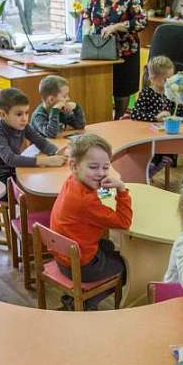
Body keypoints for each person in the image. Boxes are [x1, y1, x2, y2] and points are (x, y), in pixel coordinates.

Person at [49, 133, 132, 310]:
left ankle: (79, 298)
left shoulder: (72, 180)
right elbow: (124, 221)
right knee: (127, 268)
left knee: (108, 246)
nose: (101, 173)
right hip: (79, 266)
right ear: (74, 165)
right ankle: (85, 302)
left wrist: (102, 186)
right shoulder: (85, 202)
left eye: (106, 167)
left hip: (63, 258)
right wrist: (121, 189)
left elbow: (94, 197)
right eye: (94, 167)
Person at [84, 0, 148, 119]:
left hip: (124, 52)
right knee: (101, 88)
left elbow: (141, 22)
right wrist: (87, 27)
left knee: (121, 91)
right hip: (100, 50)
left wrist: (116, 27)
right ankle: (102, 120)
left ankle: (117, 119)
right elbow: (86, 12)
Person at [0, 87, 68, 185]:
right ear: (3, 114)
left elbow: (40, 141)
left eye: (26, 113)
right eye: (19, 114)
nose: (24, 118)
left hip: (12, 172)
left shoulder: (23, 125)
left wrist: (55, 152)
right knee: (38, 184)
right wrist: (46, 161)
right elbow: (11, 159)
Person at [130, 55, 183, 177]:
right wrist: (155, 117)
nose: (169, 82)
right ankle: (145, 175)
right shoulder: (147, 93)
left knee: (169, 155)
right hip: (148, 137)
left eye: (171, 79)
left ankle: (149, 173)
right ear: (153, 78)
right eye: (166, 79)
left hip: (165, 137)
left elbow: (179, 111)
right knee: (158, 156)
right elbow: (135, 113)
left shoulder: (170, 93)